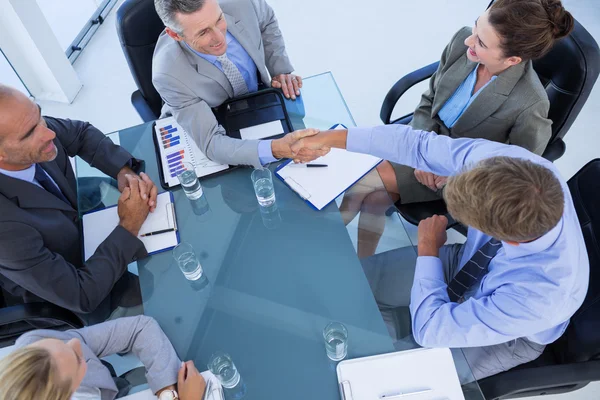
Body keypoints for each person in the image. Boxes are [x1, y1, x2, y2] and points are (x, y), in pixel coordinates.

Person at [291, 124, 589, 380]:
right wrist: (329, 139)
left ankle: (387, 329)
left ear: (504, 239)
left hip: (511, 332)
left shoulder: (542, 296)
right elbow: (415, 143)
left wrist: (427, 250)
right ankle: (390, 323)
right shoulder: (515, 165)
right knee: (348, 283)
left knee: (374, 371)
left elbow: (430, 330)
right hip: (467, 262)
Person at [341, 0, 574, 258]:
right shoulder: (462, 41)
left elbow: (512, 173)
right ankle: (361, 262)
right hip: (425, 139)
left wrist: (450, 174)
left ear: (513, 59)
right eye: (476, 27)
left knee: (360, 185)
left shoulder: (530, 103)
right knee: (373, 200)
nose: (469, 41)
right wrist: (423, 149)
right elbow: (429, 100)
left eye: (482, 43)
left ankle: (332, 250)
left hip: (458, 174)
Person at [0, 84, 157, 323]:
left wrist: (123, 171)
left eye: (40, 115)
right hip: (69, 288)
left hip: (77, 224)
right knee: (157, 304)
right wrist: (129, 225)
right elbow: (82, 296)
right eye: (30, 133)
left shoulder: (30, 125)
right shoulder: (5, 231)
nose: (48, 133)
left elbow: (80, 134)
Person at [152, 0, 327, 168]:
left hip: (259, 101)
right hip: (213, 116)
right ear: (175, 35)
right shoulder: (167, 74)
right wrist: (276, 149)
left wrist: (279, 69)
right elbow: (212, 143)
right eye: (203, 32)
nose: (220, 37)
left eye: (219, 19)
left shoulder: (243, 3)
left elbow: (267, 22)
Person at [0, 315, 206, 400]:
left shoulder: (34, 342)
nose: (75, 343)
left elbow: (140, 328)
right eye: (77, 358)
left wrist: (167, 392)